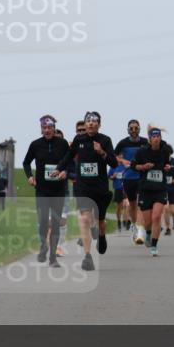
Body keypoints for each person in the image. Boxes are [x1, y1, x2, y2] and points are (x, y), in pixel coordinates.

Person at [55, 112, 117, 271]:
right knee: (84, 219)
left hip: (100, 188)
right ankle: (88, 256)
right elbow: (69, 156)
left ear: (99, 124)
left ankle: (102, 235)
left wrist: (102, 152)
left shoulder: (105, 140)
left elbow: (114, 163)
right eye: (88, 121)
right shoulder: (79, 140)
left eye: (94, 121)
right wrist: (59, 168)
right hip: (83, 188)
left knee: (100, 221)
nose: (90, 124)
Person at [22, 115, 69, 266]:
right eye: (44, 128)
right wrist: (30, 177)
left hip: (58, 190)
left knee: (55, 223)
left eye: (50, 127)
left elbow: (69, 162)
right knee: (43, 221)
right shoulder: (35, 144)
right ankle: (43, 246)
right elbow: (26, 162)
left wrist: (64, 172)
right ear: (41, 129)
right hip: (42, 189)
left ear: (54, 128)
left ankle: (53, 258)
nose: (47, 130)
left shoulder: (62, 144)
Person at [132, 127, 173, 256]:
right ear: (149, 139)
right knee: (147, 221)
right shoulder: (142, 152)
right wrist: (143, 167)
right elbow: (134, 166)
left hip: (160, 189)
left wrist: (167, 167)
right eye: (153, 137)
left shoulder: (165, 150)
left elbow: (167, 164)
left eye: (158, 136)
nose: (156, 139)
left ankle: (154, 246)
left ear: (160, 138)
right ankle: (148, 233)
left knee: (156, 217)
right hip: (145, 189)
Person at [115, 120, 147, 245]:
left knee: (140, 204)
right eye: (131, 128)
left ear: (139, 129)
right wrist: (122, 161)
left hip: (141, 176)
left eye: (136, 128)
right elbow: (114, 155)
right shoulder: (123, 143)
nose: (134, 130)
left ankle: (140, 230)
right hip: (128, 177)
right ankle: (134, 225)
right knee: (132, 205)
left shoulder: (145, 142)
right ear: (128, 130)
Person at [109, 162, 127, 233]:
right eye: (119, 155)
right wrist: (113, 177)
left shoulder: (125, 166)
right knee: (120, 207)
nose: (120, 156)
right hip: (118, 189)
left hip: (126, 188)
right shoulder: (113, 167)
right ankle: (119, 222)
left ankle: (125, 221)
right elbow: (109, 177)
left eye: (122, 155)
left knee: (126, 205)